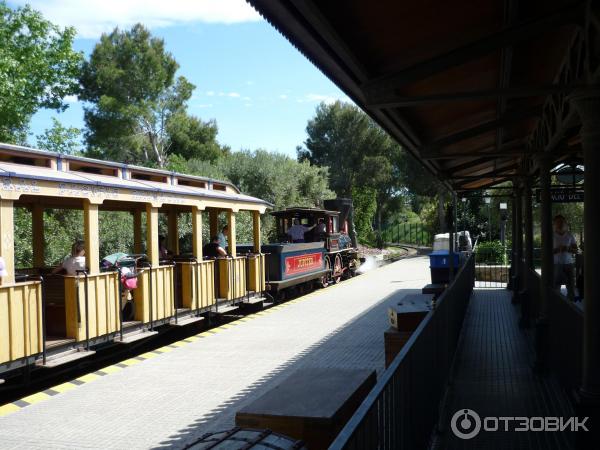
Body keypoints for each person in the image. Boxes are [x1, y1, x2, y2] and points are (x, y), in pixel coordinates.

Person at [552, 215, 578, 302]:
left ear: (565, 223)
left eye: (562, 222)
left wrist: (568, 249)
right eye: (558, 222)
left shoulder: (570, 235)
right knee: (556, 286)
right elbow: (546, 252)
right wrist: (558, 249)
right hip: (556, 264)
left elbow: (576, 250)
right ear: (554, 224)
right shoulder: (551, 236)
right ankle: (557, 305)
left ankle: (570, 306)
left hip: (569, 264)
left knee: (571, 287)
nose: (560, 224)